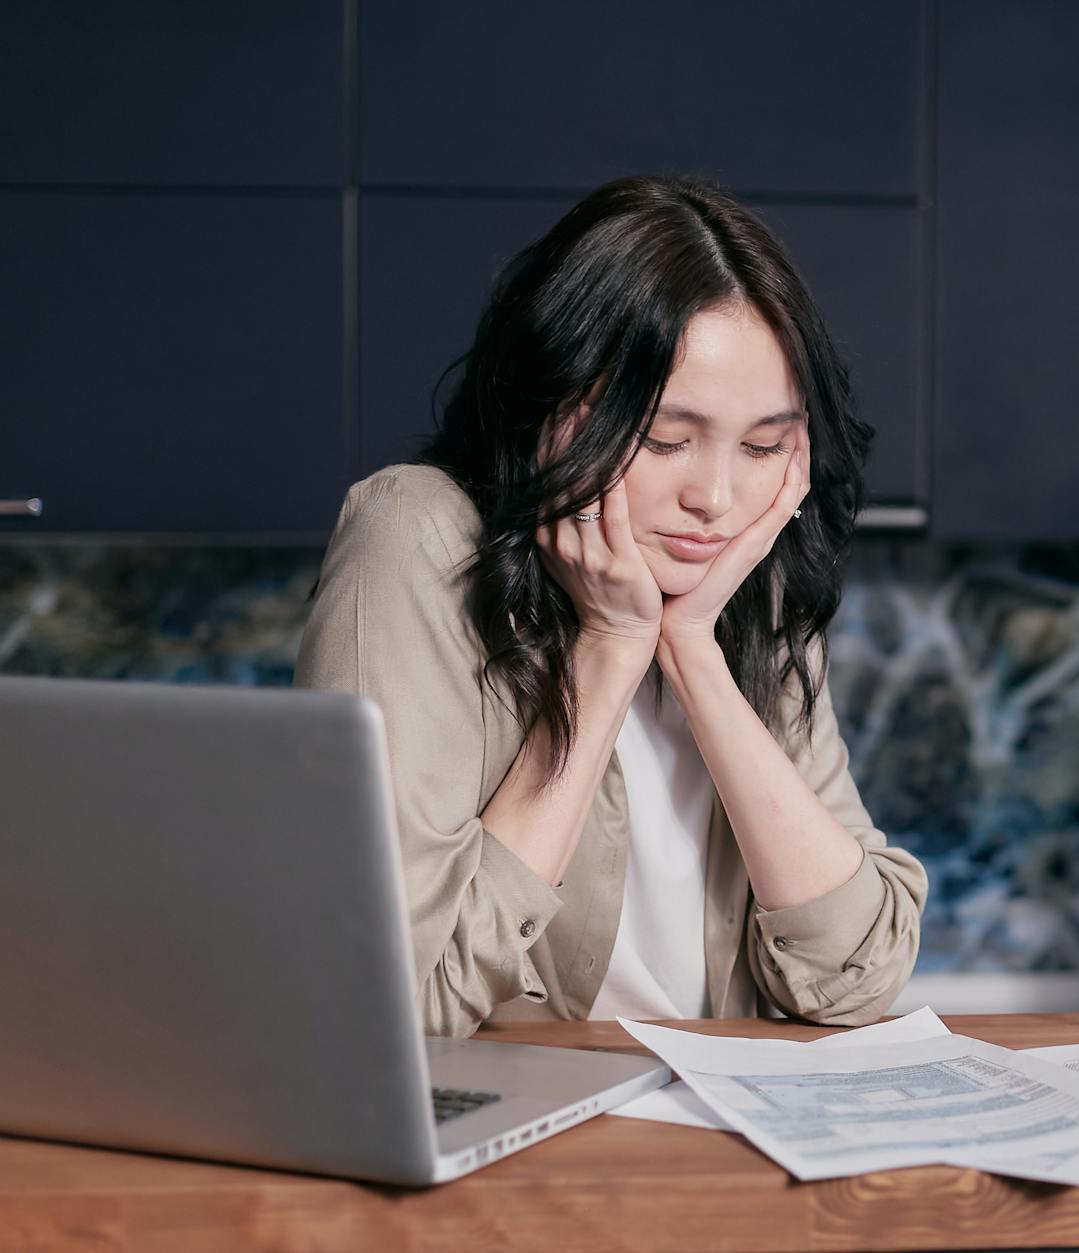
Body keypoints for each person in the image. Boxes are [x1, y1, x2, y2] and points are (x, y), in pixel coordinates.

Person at [297, 175, 925, 1037]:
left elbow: (855, 978)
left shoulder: (742, 579)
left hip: (708, 1141)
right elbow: (398, 1001)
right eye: (668, 439)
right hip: (517, 1148)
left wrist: (696, 652)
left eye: (763, 445)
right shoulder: (417, 537)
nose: (716, 495)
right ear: (557, 410)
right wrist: (608, 645)